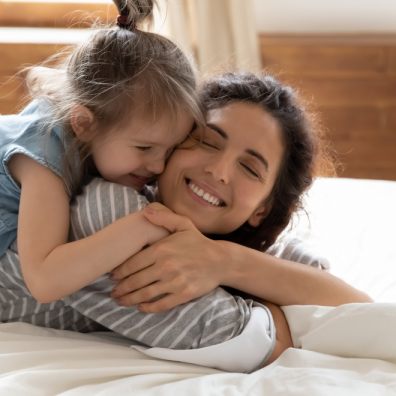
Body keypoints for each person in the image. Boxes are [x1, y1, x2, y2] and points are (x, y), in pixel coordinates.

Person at [0, 0, 201, 304]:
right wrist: (144, 225)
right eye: (144, 147)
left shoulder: (101, 138)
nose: (159, 166)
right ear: (84, 124)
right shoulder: (42, 159)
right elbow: (44, 280)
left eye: (171, 148)